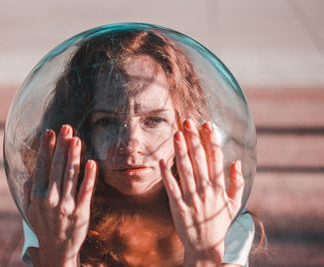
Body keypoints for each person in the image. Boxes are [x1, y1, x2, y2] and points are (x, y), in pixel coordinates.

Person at [21, 29, 255, 267]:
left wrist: (205, 250)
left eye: (154, 120)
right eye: (107, 121)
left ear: (185, 126)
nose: (131, 144)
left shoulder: (218, 214)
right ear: (83, 132)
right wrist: (59, 254)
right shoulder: (53, 210)